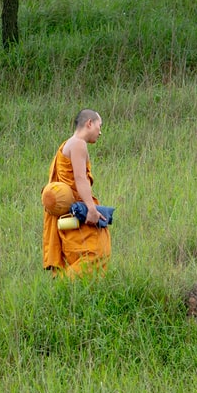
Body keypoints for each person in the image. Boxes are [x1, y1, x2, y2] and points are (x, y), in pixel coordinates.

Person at [43, 109, 111, 276]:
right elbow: (80, 179)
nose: (100, 132)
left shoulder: (67, 144)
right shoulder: (79, 144)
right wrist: (92, 209)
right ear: (89, 123)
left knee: (77, 258)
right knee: (97, 252)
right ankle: (66, 290)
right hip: (78, 212)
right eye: (99, 126)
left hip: (68, 216)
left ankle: (70, 295)